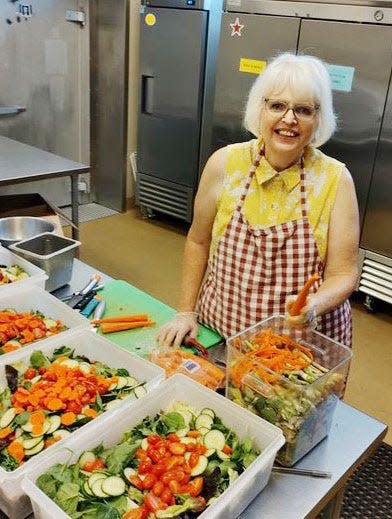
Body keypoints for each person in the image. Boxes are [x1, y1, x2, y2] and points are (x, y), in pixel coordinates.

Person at [157, 52, 359, 348]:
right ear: (259, 109)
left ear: (318, 119)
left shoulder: (335, 181)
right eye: (277, 105)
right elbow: (198, 241)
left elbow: (344, 273)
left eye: (303, 110)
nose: (289, 119)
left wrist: (315, 303)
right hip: (222, 331)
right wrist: (186, 311)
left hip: (298, 347)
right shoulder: (225, 164)